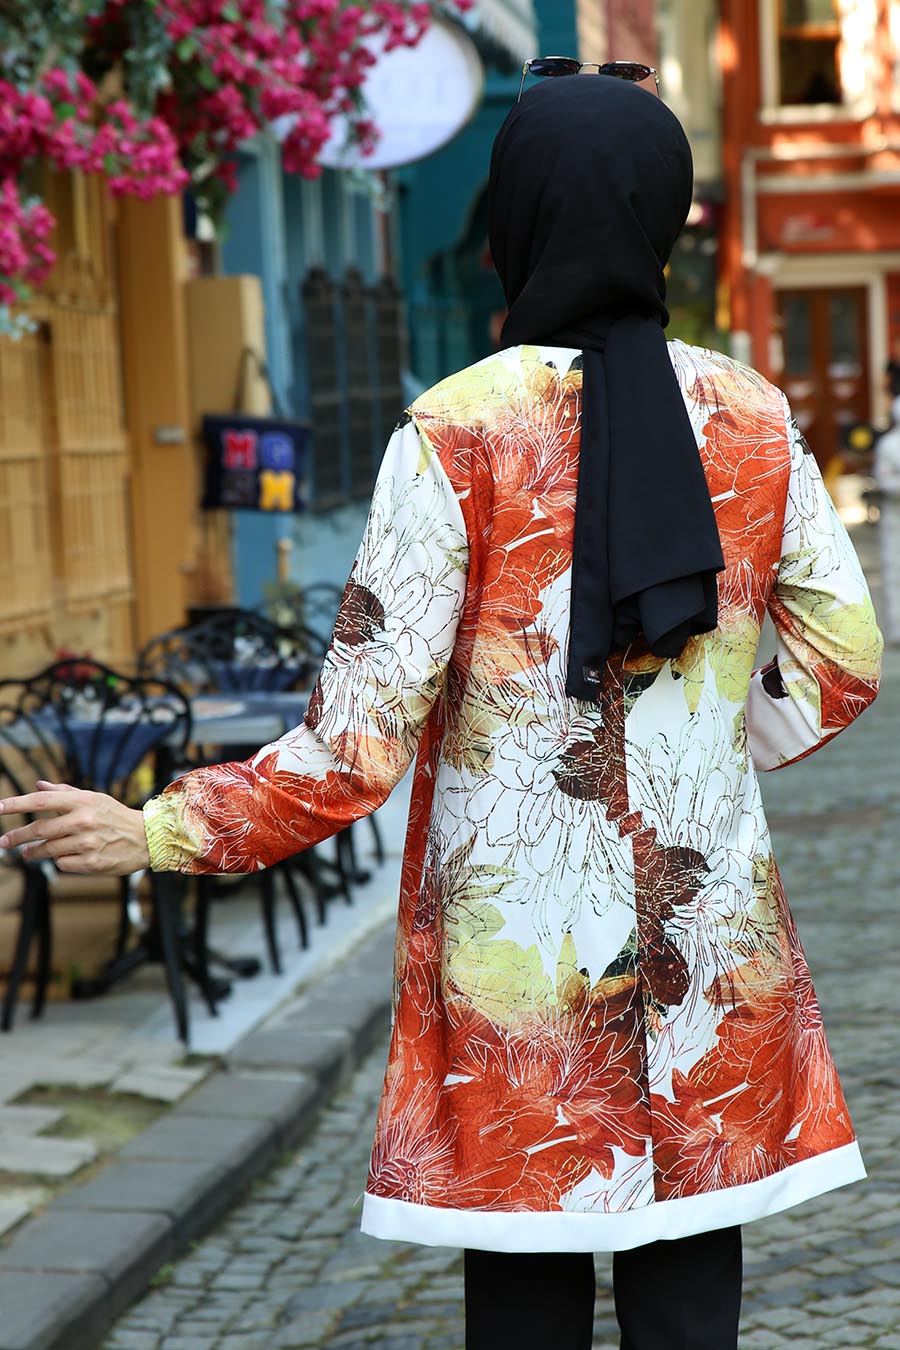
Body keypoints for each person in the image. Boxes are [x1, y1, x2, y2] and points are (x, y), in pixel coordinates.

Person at [0, 73, 884, 1350]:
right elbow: (843, 658)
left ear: (511, 223)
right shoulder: (751, 421)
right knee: (694, 1307)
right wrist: (709, 754)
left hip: (513, 980)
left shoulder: (456, 433)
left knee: (521, 1301)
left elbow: (357, 747)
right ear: (666, 221)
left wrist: (156, 832)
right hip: (712, 950)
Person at [874, 394, 900, 643]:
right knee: (895, 571)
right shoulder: (889, 446)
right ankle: (897, 627)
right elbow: (884, 480)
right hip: (895, 517)